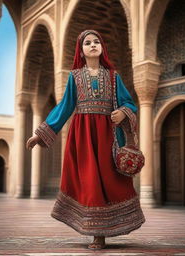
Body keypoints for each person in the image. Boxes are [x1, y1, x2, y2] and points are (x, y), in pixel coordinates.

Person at [26, 30, 145, 250]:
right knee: (90, 181)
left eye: (97, 41)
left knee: (110, 180)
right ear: (81, 50)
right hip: (83, 138)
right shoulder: (74, 77)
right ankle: (96, 235)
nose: (93, 45)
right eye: (87, 43)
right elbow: (64, 107)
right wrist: (39, 134)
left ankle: (110, 229)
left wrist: (122, 112)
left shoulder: (113, 76)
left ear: (102, 47)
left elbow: (129, 103)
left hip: (109, 137)